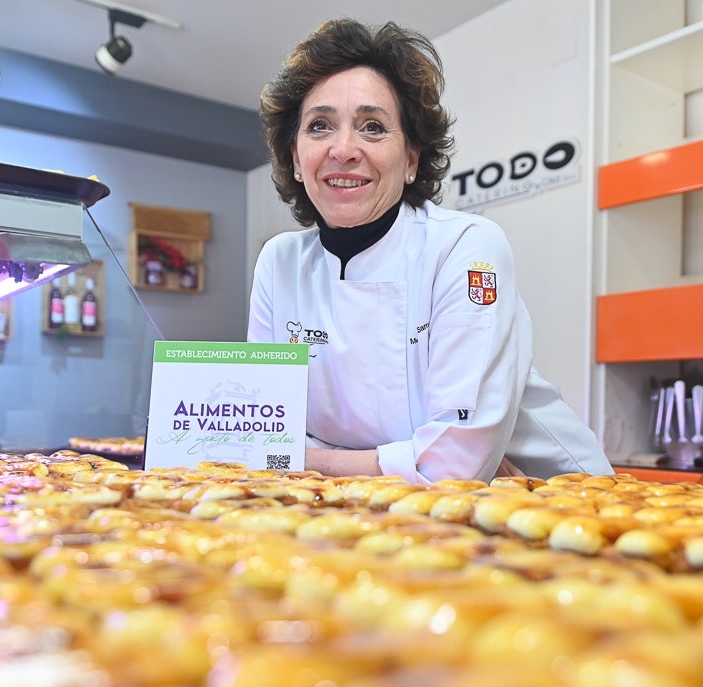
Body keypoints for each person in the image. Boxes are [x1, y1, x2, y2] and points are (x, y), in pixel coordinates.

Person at [248, 18, 611, 484]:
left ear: (412, 160)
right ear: (296, 158)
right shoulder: (279, 263)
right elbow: (261, 431)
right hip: (370, 513)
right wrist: (419, 462)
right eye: (319, 126)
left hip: (550, 503)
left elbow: (459, 464)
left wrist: (304, 460)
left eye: (373, 127)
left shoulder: (464, 247)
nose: (344, 149)